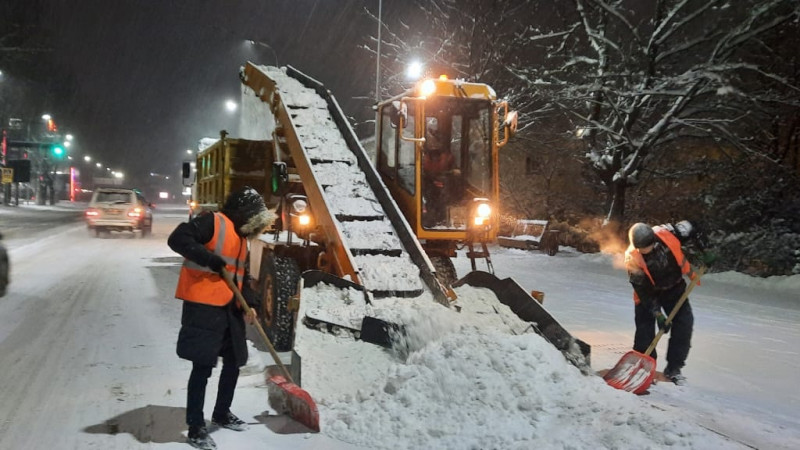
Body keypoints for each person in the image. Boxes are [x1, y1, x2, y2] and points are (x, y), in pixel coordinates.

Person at [168, 187, 275, 450]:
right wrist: (207, 258)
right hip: (204, 306)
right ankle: (195, 427)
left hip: (229, 307)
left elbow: (240, 276)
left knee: (234, 361)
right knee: (202, 367)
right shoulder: (212, 222)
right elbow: (177, 238)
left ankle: (221, 412)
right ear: (244, 212)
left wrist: (250, 300)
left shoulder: (241, 237)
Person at [624, 220, 702, 385]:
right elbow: (643, 292)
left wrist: (704, 251)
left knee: (684, 324)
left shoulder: (666, 232)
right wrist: (658, 314)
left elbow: (692, 227)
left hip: (674, 288)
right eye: (643, 248)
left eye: (649, 245)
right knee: (645, 333)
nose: (647, 250)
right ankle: (643, 369)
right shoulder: (633, 259)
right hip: (649, 295)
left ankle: (674, 369)